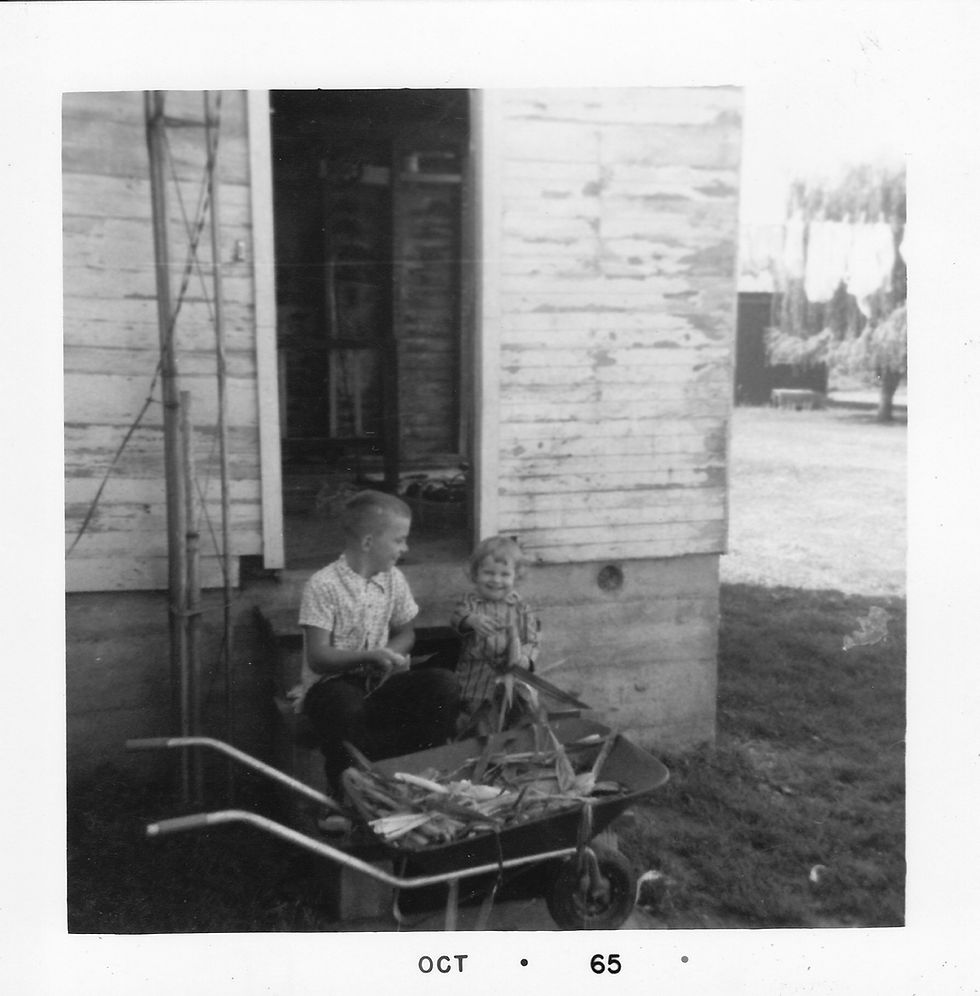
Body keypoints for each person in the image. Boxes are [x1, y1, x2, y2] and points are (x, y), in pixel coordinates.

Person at [294, 490, 459, 794]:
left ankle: (420, 779)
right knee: (345, 707)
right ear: (368, 542)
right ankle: (349, 793)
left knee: (442, 684)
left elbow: (406, 633)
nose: (405, 548)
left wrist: (389, 655)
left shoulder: (393, 579)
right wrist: (369, 657)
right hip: (331, 686)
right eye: (399, 540)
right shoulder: (323, 585)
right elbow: (318, 657)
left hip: (379, 682)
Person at [449, 535, 540, 723]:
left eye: (505, 574)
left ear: (516, 577)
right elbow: (456, 619)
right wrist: (471, 620)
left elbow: (532, 639)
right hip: (477, 676)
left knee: (514, 714)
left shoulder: (521, 607)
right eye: (489, 573)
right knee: (477, 717)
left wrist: (525, 658)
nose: (496, 580)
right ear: (475, 574)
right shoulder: (471, 602)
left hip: (512, 675)